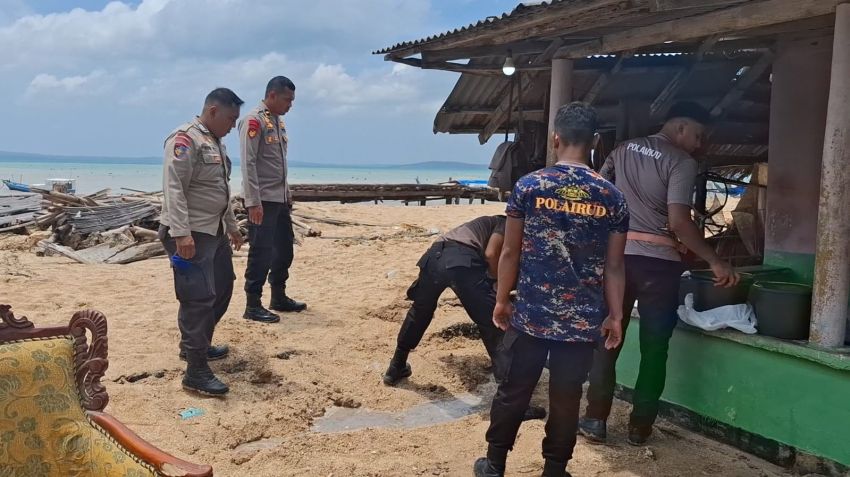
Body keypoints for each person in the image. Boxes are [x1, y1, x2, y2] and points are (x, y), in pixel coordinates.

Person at [474, 102, 629, 477]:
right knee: (566, 396)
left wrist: (500, 299)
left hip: (531, 315)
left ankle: (494, 463)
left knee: (514, 389)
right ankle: (555, 469)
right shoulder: (611, 197)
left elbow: (509, 252)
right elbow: (614, 265)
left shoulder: (530, 186)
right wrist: (616, 315)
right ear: (594, 141)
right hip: (581, 322)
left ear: (555, 137)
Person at [579, 101, 740, 445]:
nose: (699, 144)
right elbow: (681, 222)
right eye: (697, 135)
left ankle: (594, 420)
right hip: (660, 266)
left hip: (618, 259)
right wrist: (714, 260)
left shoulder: (622, 149)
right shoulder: (681, 161)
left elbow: (597, 193)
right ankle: (640, 428)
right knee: (655, 348)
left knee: (607, 340)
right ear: (680, 127)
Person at [159, 88, 245, 396]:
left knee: (222, 286)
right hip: (191, 233)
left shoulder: (215, 142)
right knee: (197, 298)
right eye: (231, 119)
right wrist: (181, 233)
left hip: (214, 231)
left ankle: (197, 345)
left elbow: (220, 191)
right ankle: (195, 370)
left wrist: (232, 227)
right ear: (212, 112)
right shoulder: (185, 140)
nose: (233, 126)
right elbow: (174, 188)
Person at [240, 76, 306, 323]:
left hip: (279, 199)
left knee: (284, 249)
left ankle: (278, 296)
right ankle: (252, 304)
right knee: (261, 252)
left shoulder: (277, 122)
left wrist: (287, 192)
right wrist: (252, 201)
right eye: (288, 100)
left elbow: (278, 163)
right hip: (262, 200)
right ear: (272, 96)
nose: (291, 105)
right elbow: (248, 164)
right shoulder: (254, 120)